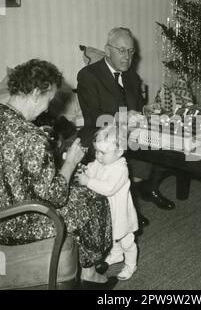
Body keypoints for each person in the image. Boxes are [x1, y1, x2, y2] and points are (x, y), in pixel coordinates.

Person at [0, 59, 117, 289]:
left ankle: (87, 264)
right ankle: (90, 273)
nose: (46, 108)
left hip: (5, 208)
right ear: (35, 93)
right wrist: (71, 161)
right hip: (17, 222)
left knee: (83, 194)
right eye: (47, 99)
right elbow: (56, 196)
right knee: (93, 199)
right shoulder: (30, 137)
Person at [76, 27, 175, 220]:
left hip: (129, 131)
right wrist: (121, 117)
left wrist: (147, 112)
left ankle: (149, 187)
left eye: (130, 51)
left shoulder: (132, 76)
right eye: (122, 50)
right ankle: (127, 208)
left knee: (166, 141)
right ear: (107, 50)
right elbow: (91, 116)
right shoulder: (88, 75)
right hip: (99, 132)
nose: (127, 56)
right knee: (124, 147)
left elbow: (136, 108)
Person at [76, 125, 139, 280]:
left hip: (120, 213)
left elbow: (108, 188)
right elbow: (92, 168)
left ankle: (131, 265)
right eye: (97, 151)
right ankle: (117, 255)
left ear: (119, 152)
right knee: (112, 236)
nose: (98, 156)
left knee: (126, 241)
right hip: (106, 211)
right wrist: (84, 170)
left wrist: (88, 181)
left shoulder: (120, 169)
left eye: (103, 152)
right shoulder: (101, 161)